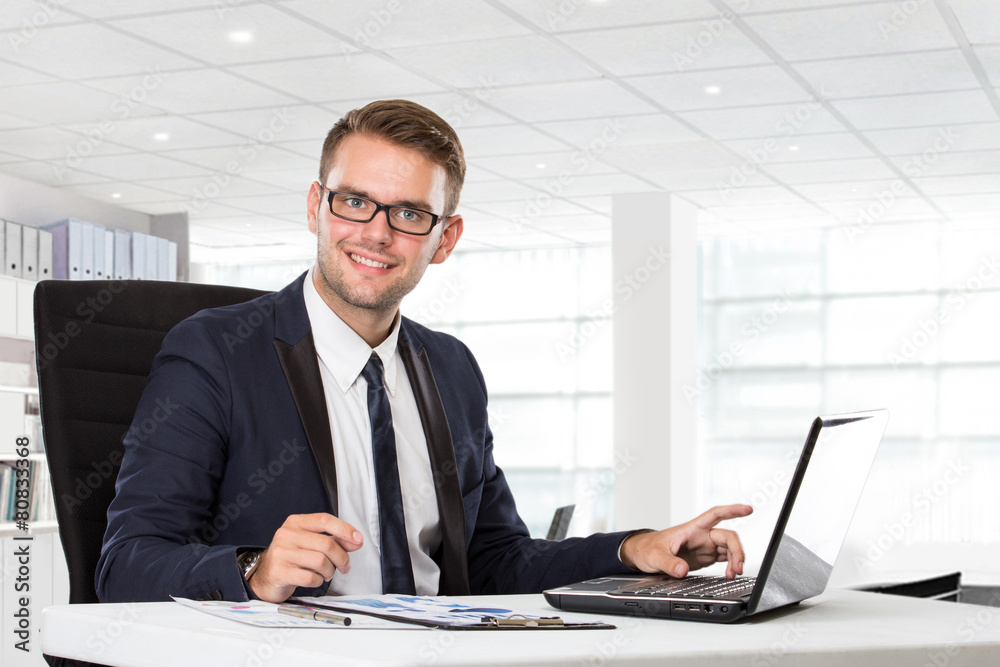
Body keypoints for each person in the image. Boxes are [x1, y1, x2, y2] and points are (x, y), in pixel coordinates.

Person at [96, 99, 751, 604]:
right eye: (354, 201)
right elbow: (125, 561)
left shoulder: (452, 368)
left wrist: (632, 548)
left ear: (445, 237)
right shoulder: (214, 352)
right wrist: (251, 568)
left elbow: (494, 560)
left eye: (409, 214)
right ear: (315, 208)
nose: (376, 233)